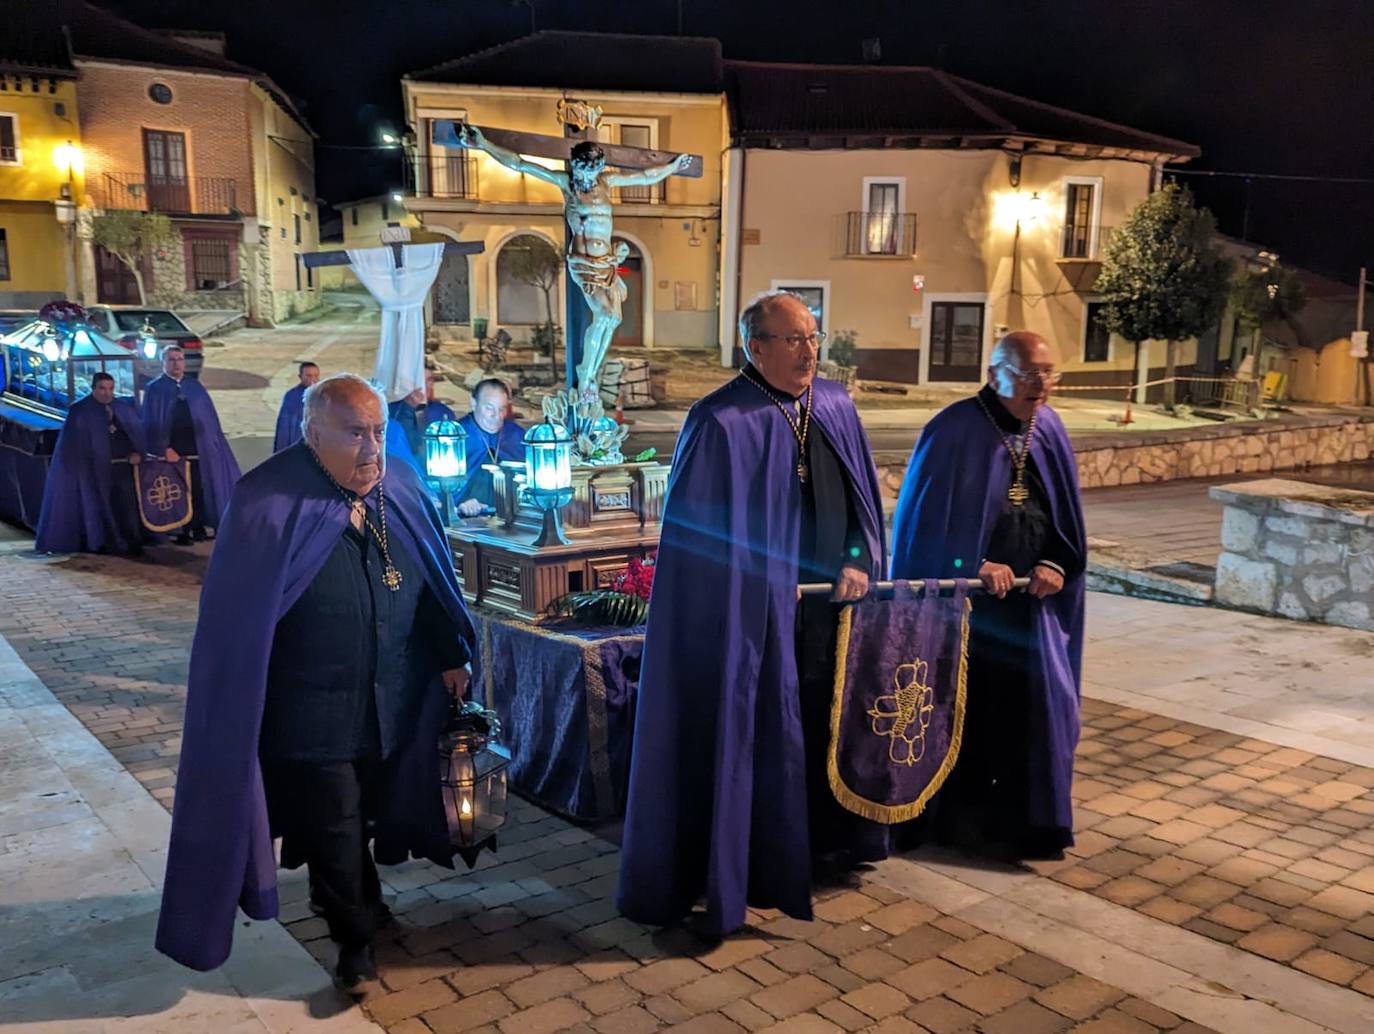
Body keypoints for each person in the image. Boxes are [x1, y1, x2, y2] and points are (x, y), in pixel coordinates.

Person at [155, 374, 475, 997]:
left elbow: (434, 584)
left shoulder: (401, 487)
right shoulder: (265, 499)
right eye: (355, 434)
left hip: (395, 698)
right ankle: (353, 940)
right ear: (312, 433)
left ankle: (364, 903)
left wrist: (450, 653)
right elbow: (235, 628)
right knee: (335, 824)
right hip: (312, 709)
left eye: (380, 432)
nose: (373, 451)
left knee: (372, 815)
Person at [617, 290, 887, 938]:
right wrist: (760, 586)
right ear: (755, 346)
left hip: (829, 613)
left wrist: (857, 561)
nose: (809, 352)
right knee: (759, 736)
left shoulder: (836, 407)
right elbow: (699, 545)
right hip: (748, 628)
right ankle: (753, 865)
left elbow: (860, 507)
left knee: (821, 724)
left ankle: (823, 849)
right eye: (794, 340)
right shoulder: (719, 422)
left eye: (815, 338)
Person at [890, 330, 1086, 860]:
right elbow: (922, 529)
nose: (1041, 385)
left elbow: (1066, 523)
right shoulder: (954, 430)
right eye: (1028, 374)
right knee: (968, 713)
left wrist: (1055, 563)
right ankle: (959, 823)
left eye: (1049, 373)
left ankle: (1024, 824)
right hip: (966, 612)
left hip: (1031, 607)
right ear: (995, 372)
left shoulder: (1049, 428)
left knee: (1031, 714)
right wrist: (971, 564)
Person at [458, 124, 691, 391]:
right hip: (584, 263)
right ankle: (587, 373)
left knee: (613, 318)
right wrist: (484, 144)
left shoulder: (607, 183)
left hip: (606, 261)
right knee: (603, 314)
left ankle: (591, 370)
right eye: (585, 170)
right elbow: (520, 164)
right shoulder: (566, 184)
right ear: (575, 166)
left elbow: (646, 177)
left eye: (595, 170)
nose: (590, 177)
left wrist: (673, 168)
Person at [34, 372, 144, 556]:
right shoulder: (80, 410)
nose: (106, 393)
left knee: (126, 505)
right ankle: (101, 542)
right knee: (98, 506)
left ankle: (130, 541)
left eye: (110, 388)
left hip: (122, 467)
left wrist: (136, 453)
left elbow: (134, 434)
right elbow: (72, 445)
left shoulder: (121, 407)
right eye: (102, 388)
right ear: (93, 388)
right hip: (93, 471)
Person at [142, 345, 241, 543]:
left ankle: (198, 527)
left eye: (179, 359)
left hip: (198, 448)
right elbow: (151, 422)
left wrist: (211, 444)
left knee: (200, 487)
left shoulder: (195, 387)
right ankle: (181, 530)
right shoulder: (155, 389)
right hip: (172, 452)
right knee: (177, 491)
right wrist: (163, 448)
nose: (176, 363)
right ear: (163, 363)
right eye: (171, 359)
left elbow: (209, 419)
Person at [455, 378, 524, 517]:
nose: (496, 416)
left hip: (512, 519)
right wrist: (458, 505)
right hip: (464, 520)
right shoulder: (453, 437)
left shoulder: (517, 435)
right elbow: (433, 491)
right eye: (489, 408)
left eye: (502, 409)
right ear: (474, 404)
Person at [385, 369, 458, 472]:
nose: (425, 386)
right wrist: (407, 409)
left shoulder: (442, 412)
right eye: (420, 381)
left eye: (429, 380)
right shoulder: (390, 411)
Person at [273, 361, 320, 452]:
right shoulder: (292, 396)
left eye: (316, 376)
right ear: (300, 377)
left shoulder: (323, 395)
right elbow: (285, 426)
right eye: (309, 376)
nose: (313, 379)